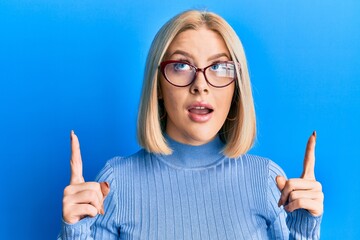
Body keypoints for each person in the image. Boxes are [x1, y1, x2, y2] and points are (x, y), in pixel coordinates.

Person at [58, 10, 323, 239]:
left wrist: (304, 231)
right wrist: (74, 232)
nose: (201, 85)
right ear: (158, 85)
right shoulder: (116, 183)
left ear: (236, 89)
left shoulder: (266, 181)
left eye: (219, 67)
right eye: (181, 66)